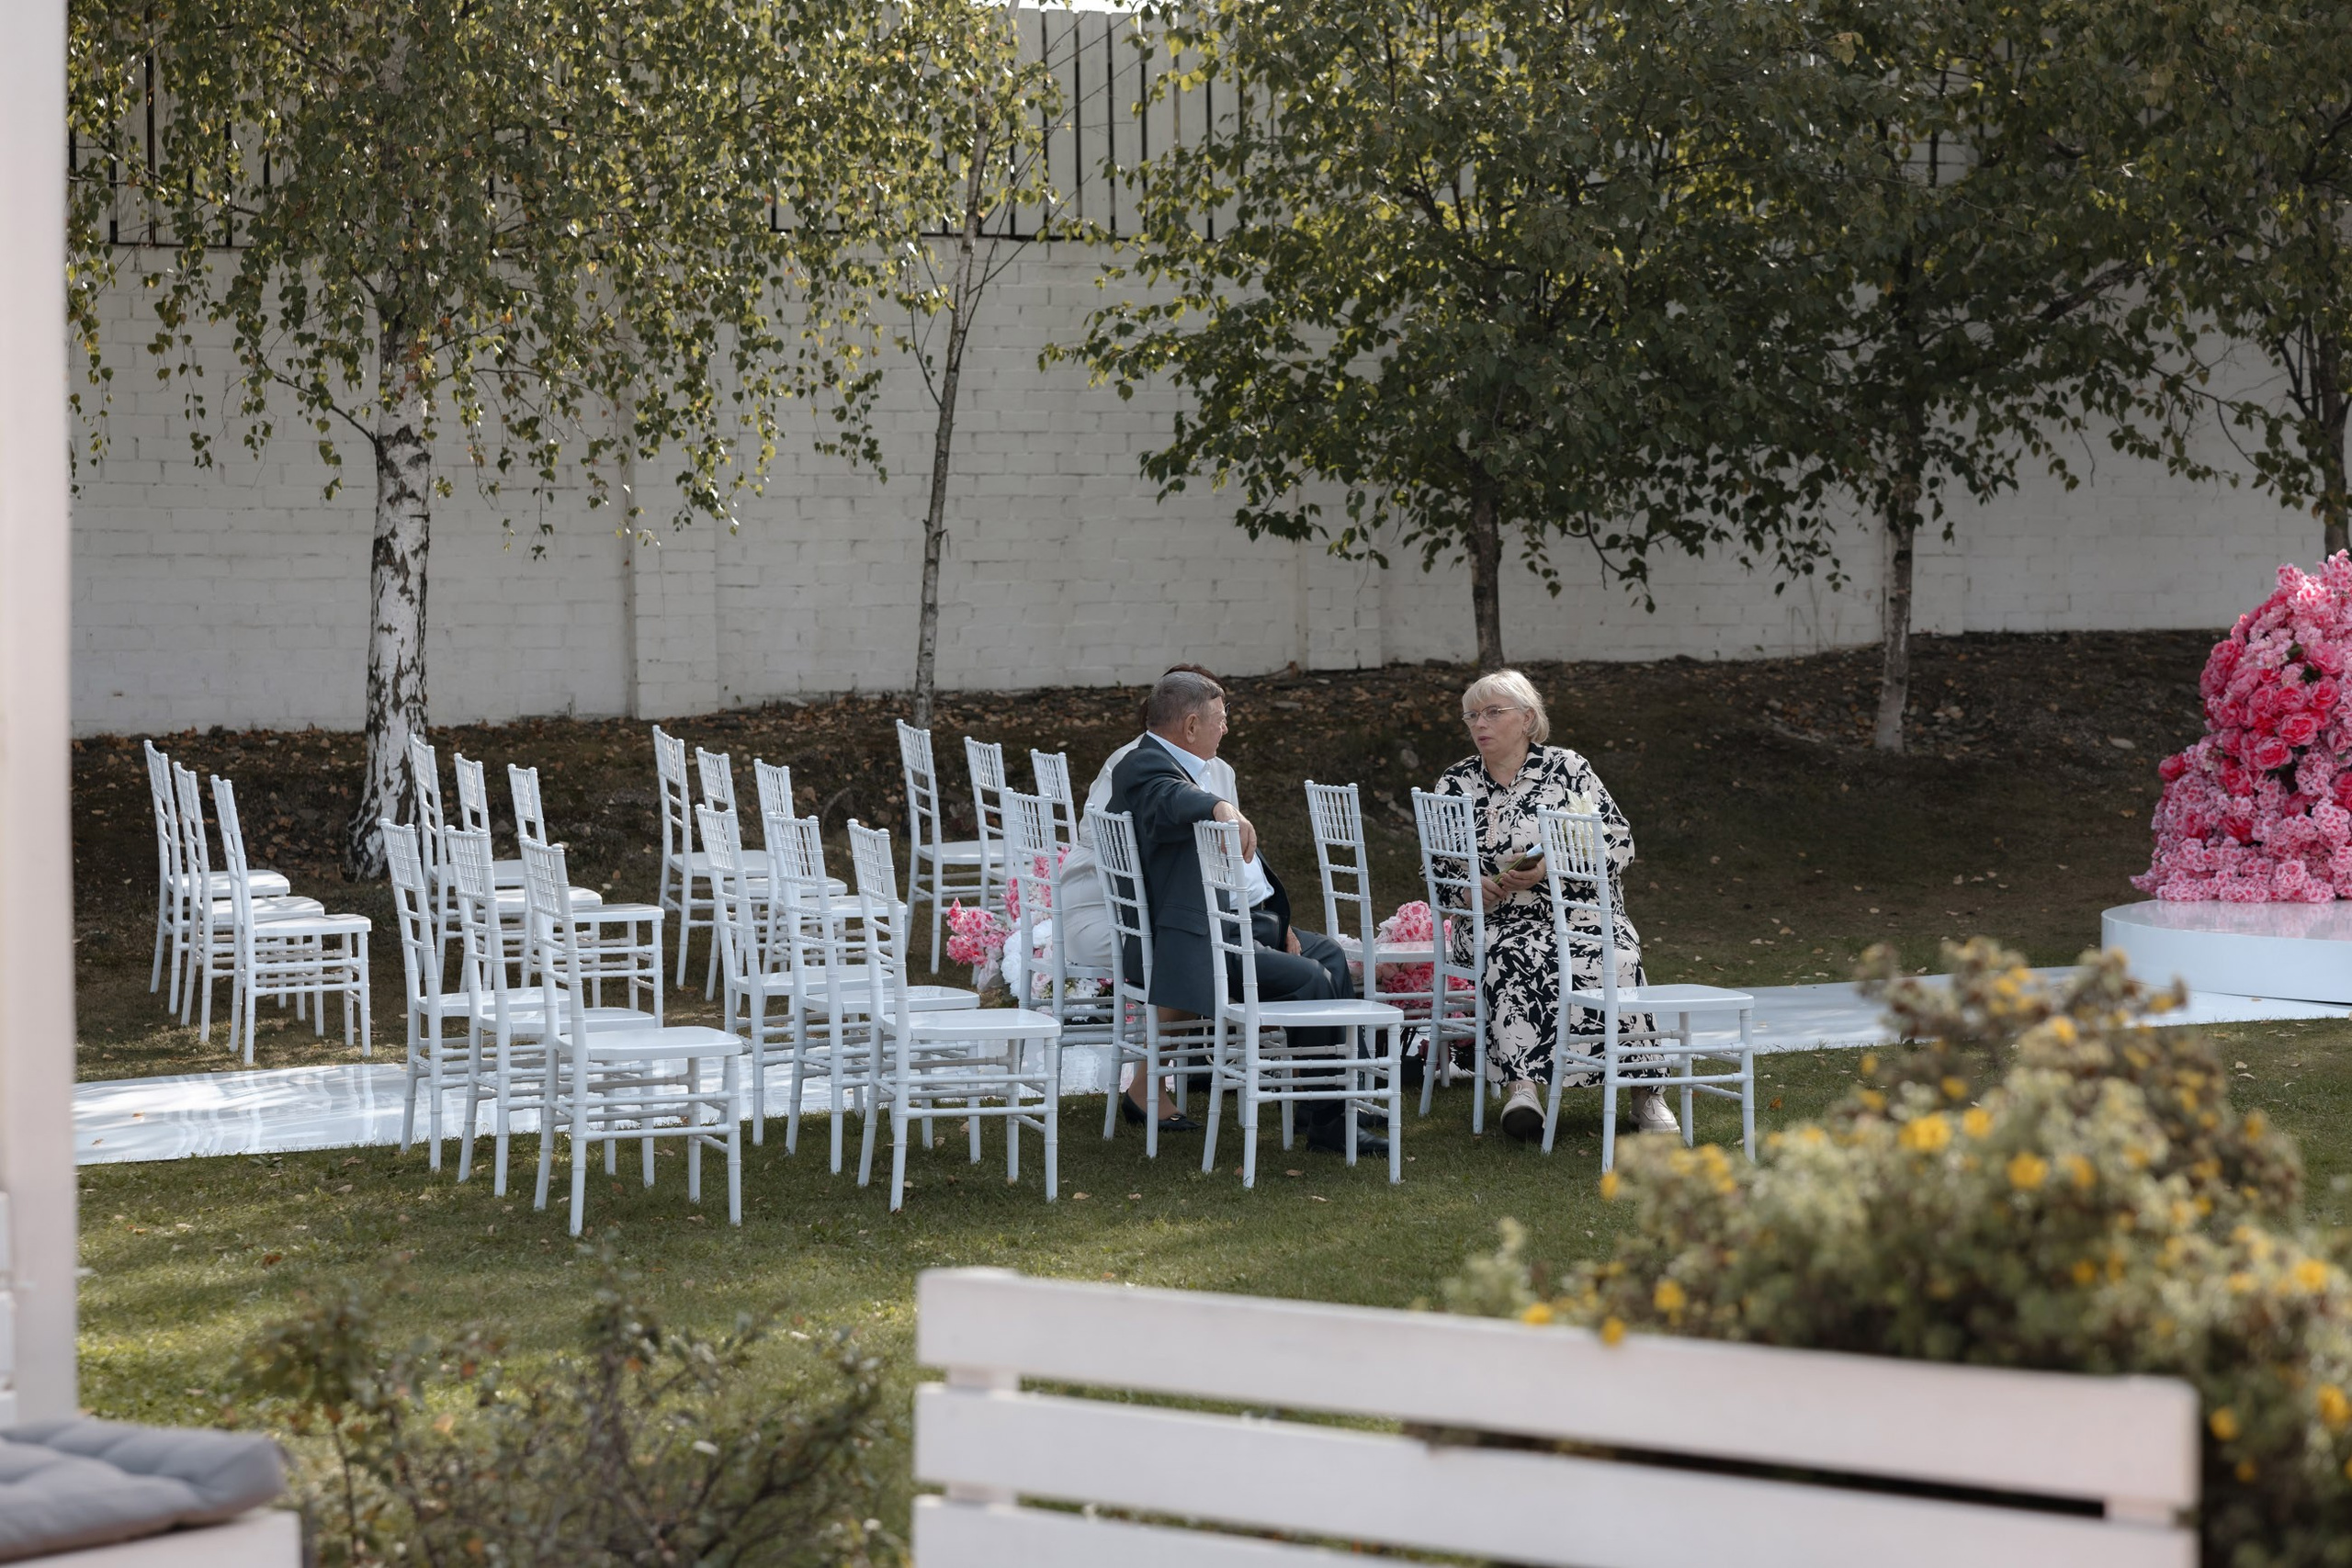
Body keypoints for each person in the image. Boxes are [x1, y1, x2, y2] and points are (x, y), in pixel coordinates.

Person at [1110, 670, 1381, 1156]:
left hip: (1232, 925)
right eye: (1221, 718)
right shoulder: (1143, 766)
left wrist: (1278, 923)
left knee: (1331, 957)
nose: (1227, 728)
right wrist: (1220, 808)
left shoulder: (1181, 764)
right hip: (1196, 942)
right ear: (1191, 725)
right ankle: (1332, 1125)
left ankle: (1325, 1105)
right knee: (1312, 979)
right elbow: (1170, 800)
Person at [1431, 669, 1675, 1143]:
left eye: (1492, 713)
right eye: (1471, 715)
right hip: (1496, 917)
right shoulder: (1455, 782)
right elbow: (1437, 867)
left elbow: (1619, 843)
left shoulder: (1568, 770)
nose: (1480, 723)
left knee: (1617, 956)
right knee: (1510, 954)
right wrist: (1467, 889)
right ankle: (1522, 1090)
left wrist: (1550, 867)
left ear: (1526, 719)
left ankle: (1646, 1094)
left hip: (1578, 913)